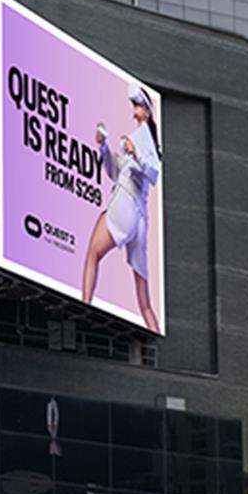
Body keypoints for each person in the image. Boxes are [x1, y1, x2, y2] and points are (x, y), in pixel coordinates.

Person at [81, 83, 162, 333]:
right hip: (139, 220)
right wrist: (103, 147)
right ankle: (157, 340)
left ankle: (83, 308)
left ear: (148, 111)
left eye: (138, 105)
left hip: (127, 205)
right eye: (134, 105)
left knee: (92, 254)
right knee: (144, 301)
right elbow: (116, 172)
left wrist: (135, 154)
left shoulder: (143, 138)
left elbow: (153, 172)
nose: (134, 109)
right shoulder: (139, 138)